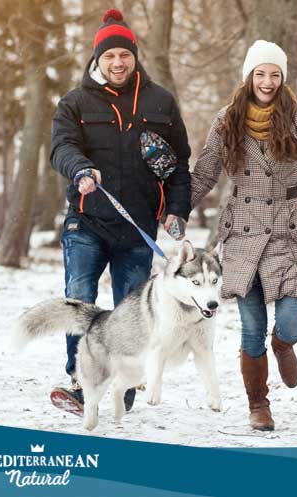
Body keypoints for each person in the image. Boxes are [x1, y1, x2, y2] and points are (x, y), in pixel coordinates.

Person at [191, 40, 297, 431]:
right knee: (251, 329)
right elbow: (204, 175)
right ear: (249, 76)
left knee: (291, 322)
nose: (267, 81)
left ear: (283, 79)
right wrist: (174, 212)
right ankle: (258, 405)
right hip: (242, 235)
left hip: (288, 233)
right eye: (260, 73)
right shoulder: (226, 121)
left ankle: (283, 345)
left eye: (275, 74)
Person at [49, 9, 191, 414]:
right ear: (97, 59)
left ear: (134, 56)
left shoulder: (160, 101)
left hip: (137, 226)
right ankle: (82, 379)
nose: (117, 63)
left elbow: (180, 164)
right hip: (87, 220)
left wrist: (176, 211)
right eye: (109, 56)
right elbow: (60, 148)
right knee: (80, 297)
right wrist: (80, 169)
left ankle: (123, 382)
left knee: (131, 310)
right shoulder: (74, 103)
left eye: (123, 55)